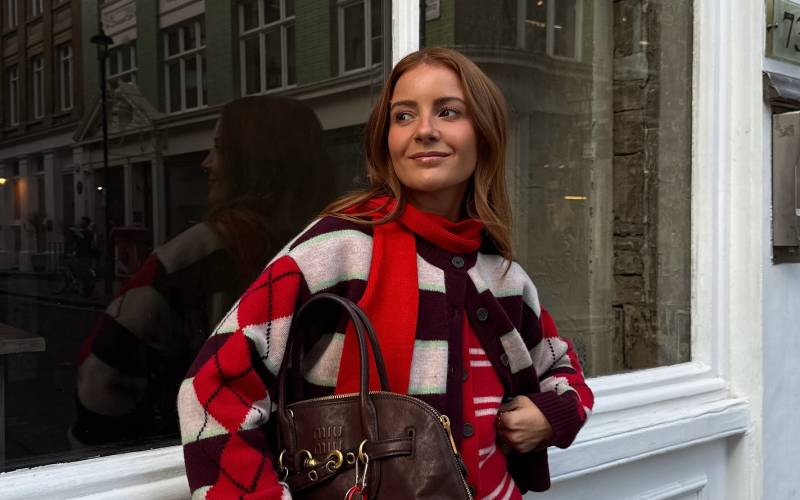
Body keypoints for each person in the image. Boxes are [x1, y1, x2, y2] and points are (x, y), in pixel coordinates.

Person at [178, 48, 594, 499]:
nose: (424, 130)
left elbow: (562, 369)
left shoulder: (503, 277)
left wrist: (552, 415)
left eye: (448, 112)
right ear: (386, 140)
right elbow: (210, 389)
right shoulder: (338, 249)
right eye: (404, 116)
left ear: (485, 133)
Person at [71, 96, 334, 446]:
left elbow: (103, 380)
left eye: (220, 148)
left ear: (253, 163)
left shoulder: (194, 257)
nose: (206, 162)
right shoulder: (328, 245)